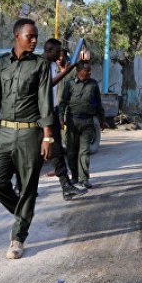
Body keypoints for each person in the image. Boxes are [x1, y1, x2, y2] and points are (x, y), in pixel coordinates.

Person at [0, 18, 55, 260]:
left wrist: (47, 137)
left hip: (31, 133)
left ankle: (17, 238)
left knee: (28, 186)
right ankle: (23, 214)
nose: (34, 41)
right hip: (5, 132)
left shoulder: (40, 65)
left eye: (36, 37)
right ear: (17, 36)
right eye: (30, 36)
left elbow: (45, 102)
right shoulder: (0, 65)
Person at [42, 38, 86, 201]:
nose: (60, 54)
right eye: (57, 51)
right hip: (41, 114)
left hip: (52, 112)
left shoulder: (53, 65)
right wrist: (65, 72)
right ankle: (21, 185)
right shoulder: (42, 65)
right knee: (37, 152)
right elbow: (47, 85)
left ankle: (66, 186)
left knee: (57, 151)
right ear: (48, 50)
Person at [59, 61, 107, 189]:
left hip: (87, 122)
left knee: (84, 152)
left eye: (90, 70)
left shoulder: (93, 84)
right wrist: (61, 118)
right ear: (79, 71)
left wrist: (102, 120)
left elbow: (98, 104)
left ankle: (84, 178)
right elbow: (62, 103)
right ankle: (74, 177)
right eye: (87, 70)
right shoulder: (69, 84)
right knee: (71, 152)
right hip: (72, 122)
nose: (89, 72)